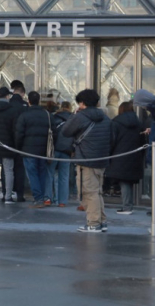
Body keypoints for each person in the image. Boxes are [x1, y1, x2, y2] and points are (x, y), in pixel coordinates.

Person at [62, 89, 112, 233]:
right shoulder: (105, 117)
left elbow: (66, 131)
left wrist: (74, 115)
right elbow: (112, 138)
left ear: (82, 103)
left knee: (89, 192)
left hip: (86, 159)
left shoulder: (80, 116)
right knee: (97, 192)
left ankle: (94, 223)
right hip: (101, 159)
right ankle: (101, 221)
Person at [15, 91, 52, 208]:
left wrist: (19, 148)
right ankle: (43, 197)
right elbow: (54, 131)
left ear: (29, 101)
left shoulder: (24, 115)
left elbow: (19, 134)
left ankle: (38, 198)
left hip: (28, 150)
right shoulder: (47, 114)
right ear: (39, 100)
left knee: (32, 175)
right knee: (42, 173)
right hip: (44, 150)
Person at [105, 101, 144, 215]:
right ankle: (128, 205)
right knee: (128, 181)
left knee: (123, 181)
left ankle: (127, 207)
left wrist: (109, 154)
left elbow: (111, 140)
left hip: (120, 156)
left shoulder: (116, 123)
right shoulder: (138, 123)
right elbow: (142, 141)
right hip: (135, 155)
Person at [47, 101, 74, 207]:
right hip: (67, 150)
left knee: (49, 174)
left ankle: (47, 198)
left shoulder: (54, 117)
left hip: (54, 149)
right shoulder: (74, 119)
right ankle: (62, 201)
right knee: (64, 176)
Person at [9, 80, 28, 202]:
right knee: (20, 168)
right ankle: (20, 193)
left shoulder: (8, 104)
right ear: (23, 93)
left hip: (7, 141)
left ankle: (7, 192)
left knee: (7, 168)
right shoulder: (25, 106)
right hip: (22, 142)